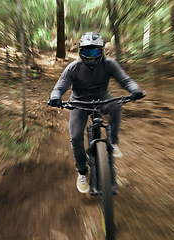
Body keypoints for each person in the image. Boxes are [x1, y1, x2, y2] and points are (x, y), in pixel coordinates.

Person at [48, 32, 145, 194]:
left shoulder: (109, 64)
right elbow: (59, 87)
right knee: (76, 136)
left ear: (101, 51)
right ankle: (82, 172)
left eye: (95, 52)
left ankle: (112, 142)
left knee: (115, 106)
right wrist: (55, 97)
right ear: (80, 52)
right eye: (87, 52)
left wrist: (135, 89)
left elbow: (126, 80)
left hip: (102, 98)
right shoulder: (73, 68)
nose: (91, 57)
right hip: (79, 102)